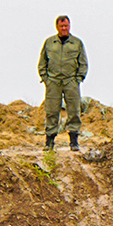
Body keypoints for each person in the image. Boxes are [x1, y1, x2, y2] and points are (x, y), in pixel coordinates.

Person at [36, 14, 87, 151]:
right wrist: (45, 78)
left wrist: (79, 78)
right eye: (61, 26)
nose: (64, 28)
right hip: (53, 81)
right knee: (51, 111)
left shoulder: (77, 43)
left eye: (66, 26)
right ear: (57, 27)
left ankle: (74, 141)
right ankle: (49, 141)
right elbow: (42, 62)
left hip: (71, 81)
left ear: (69, 26)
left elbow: (83, 62)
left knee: (74, 110)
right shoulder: (49, 42)